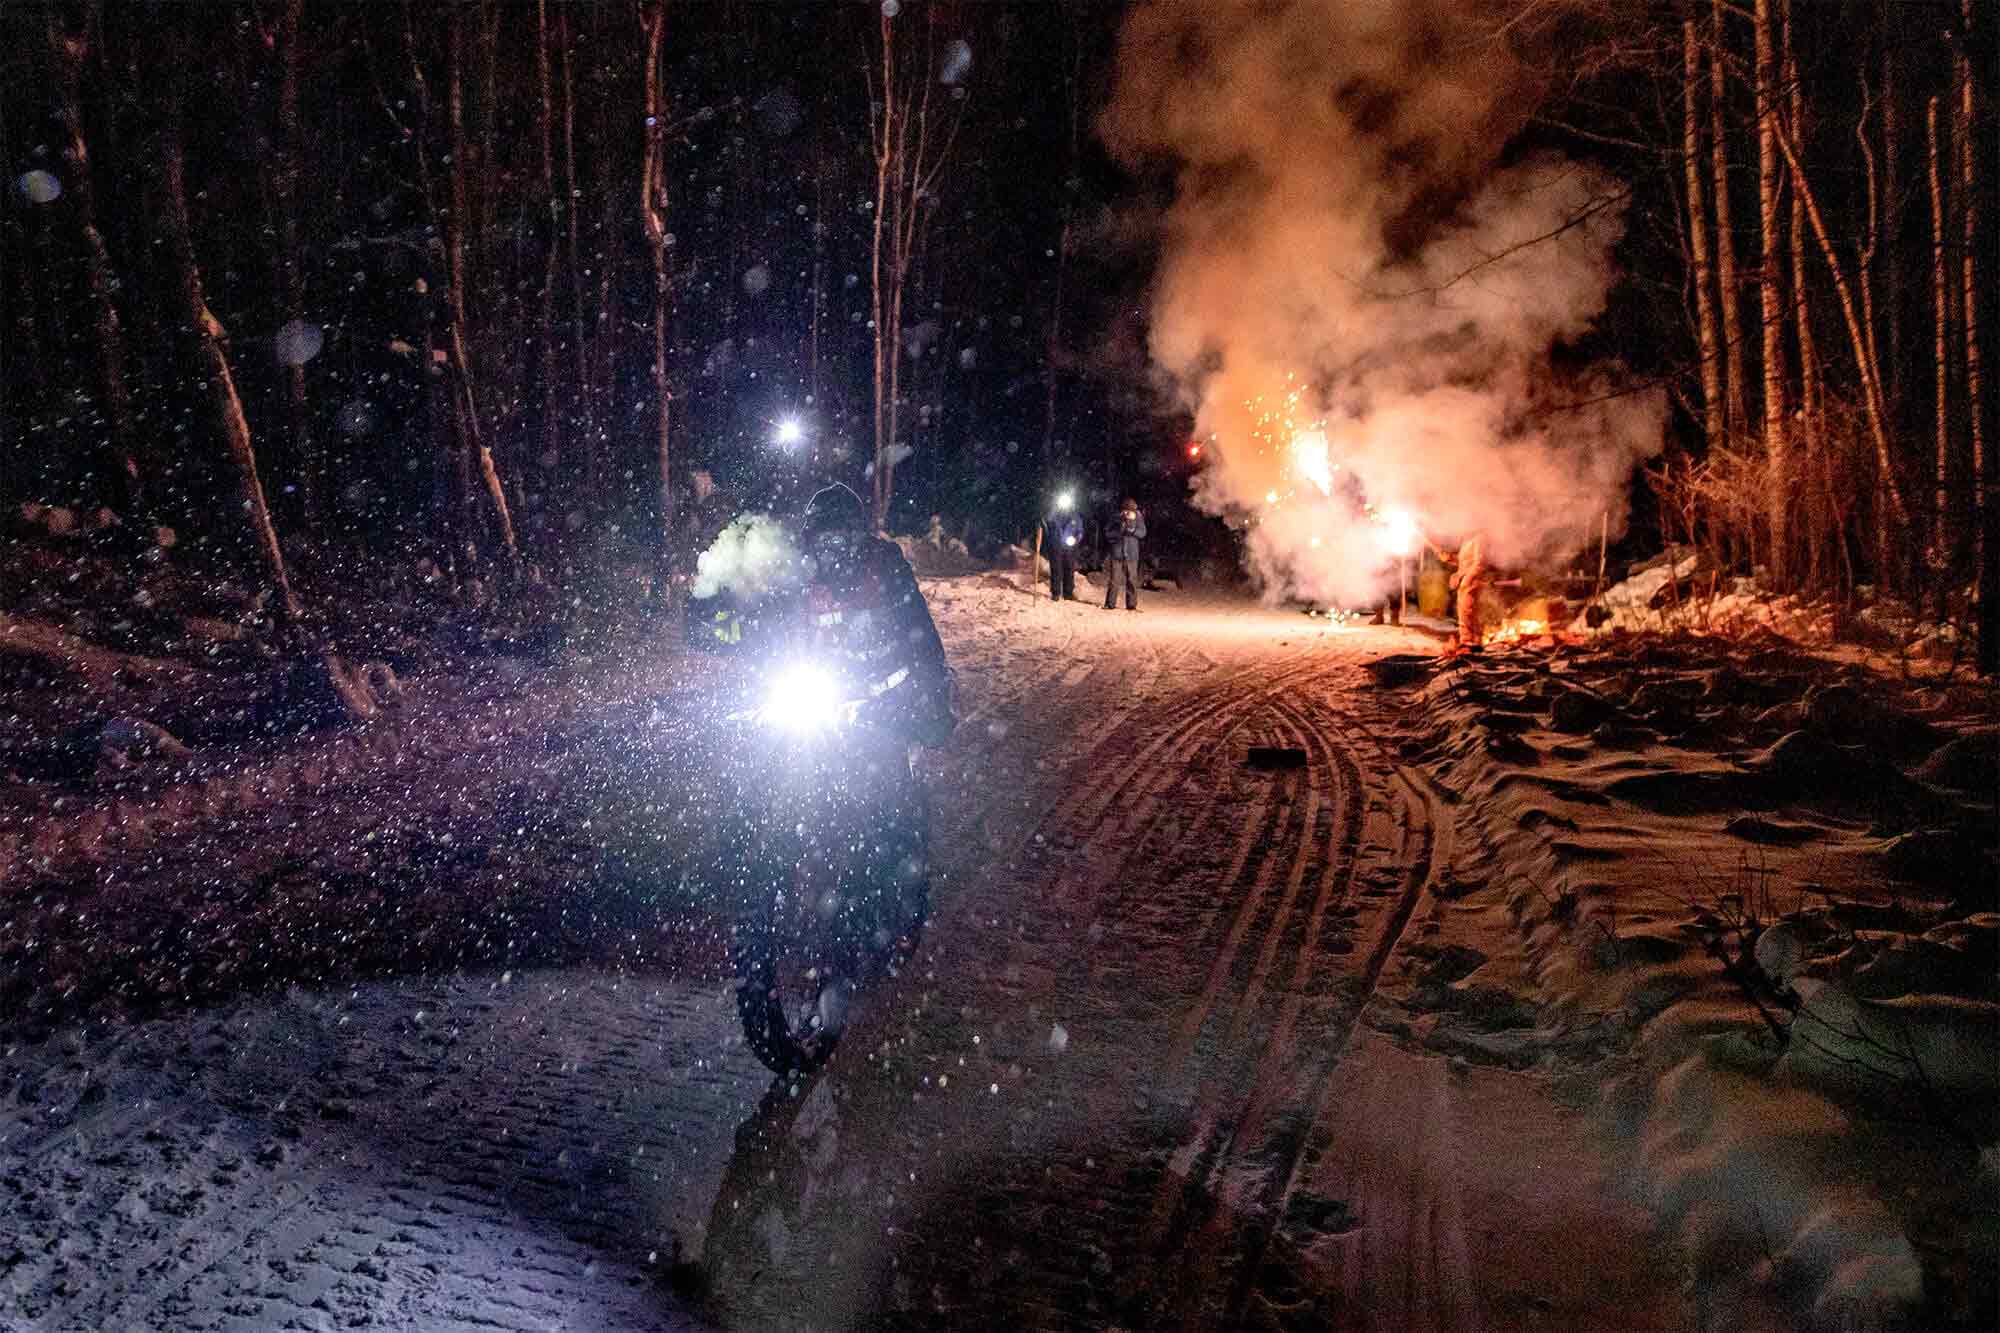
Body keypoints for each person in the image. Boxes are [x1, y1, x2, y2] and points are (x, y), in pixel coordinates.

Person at [1446, 530, 1487, 650]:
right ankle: (1466, 640)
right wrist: (1450, 559)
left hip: (1472, 581)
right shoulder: (1465, 540)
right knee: (1463, 611)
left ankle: (1471, 641)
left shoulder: (1479, 538)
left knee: (1468, 610)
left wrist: (1467, 580)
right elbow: (1463, 563)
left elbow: (1479, 564)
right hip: (1464, 581)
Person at [1103, 497, 1146, 611]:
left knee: (1132, 580)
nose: (1128, 513)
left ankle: (1131, 605)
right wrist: (1119, 532)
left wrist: (1133, 531)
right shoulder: (1115, 518)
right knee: (1114, 580)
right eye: (1126, 511)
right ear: (1122, 510)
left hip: (1132, 555)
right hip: (1117, 554)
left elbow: (1143, 533)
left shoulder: (1138, 518)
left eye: (1130, 511)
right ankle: (1110, 604)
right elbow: (1107, 533)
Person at [1045, 491, 1083, 602]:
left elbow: (1080, 531)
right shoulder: (1054, 515)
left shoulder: (1075, 517)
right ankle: (1056, 593)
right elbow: (1047, 520)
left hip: (1070, 548)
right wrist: (1054, 508)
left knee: (1069, 570)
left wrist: (1077, 538)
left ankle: (1068, 593)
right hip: (1056, 546)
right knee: (1056, 570)